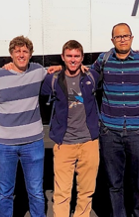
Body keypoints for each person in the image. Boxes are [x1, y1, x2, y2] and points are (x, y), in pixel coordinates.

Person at [0, 35, 46, 217]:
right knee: (5, 193)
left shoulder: (38, 71)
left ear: (31, 54)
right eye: (17, 51)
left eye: (25, 51)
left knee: (36, 192)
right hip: (3, 145)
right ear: (11, 54)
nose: (21, 55)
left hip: (33, 142)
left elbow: (59, 71)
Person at [93, 23, 139, 217]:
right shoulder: (104, 59)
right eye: (118, 37)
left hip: (137, 130)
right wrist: (59, 71)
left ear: (132, 38)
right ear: (112, 40)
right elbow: (84, 76)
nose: (123, 39)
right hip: (110, 130)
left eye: (126, 36)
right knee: (114, 183)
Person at [40, 40, 100, 217]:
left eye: (76, 56)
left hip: (89, 143)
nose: (73, 60)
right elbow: (42, 100)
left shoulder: (92, 77)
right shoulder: (52, 79)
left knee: (86, 192)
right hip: (64, 144)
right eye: (69, 56)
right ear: (62, 57)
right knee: (61, 193)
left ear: (82, 58)